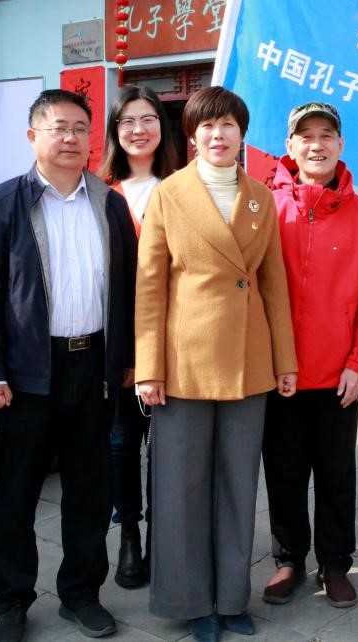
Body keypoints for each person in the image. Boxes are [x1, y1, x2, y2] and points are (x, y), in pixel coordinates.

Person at [0, 89, 137, 642]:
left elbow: (129, 287)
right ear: (32, 136)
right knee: (16, 492)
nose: (70, 138)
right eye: (58, 127)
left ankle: (81, 594)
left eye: (79, 128)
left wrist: (129, 359)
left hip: (94, 367)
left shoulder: (108, 203)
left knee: (90, 490)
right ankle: (11, 601)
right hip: (26, 374)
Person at [134, 86, 297, 642]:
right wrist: (148, 368)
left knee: (237, 485)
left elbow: (274, 284)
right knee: (180, 489)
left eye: (228, 125)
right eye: (206, 125)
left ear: (242, 134)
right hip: (184, 363)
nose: (218, 134)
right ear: (192, 135)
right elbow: (150, 285)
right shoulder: (169, 194)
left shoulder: (260, 197)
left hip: (249, 362)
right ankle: (190, 601)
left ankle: (230, 598)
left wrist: (285, 360)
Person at [261, 102, 358, 608]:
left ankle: (334, 563)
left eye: (326, 135)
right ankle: (289, 558)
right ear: (290, 147)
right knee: (284, 473)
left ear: (340, 145)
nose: (316, 145)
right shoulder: (264, 208)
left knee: (337, 475)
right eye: (305, 136)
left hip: (339, 374)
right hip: (279, 373)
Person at [97, 85, 181, 589]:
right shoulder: (98, 193)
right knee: (122, 443)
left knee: (167, 449)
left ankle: (163, 540)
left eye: (148, 119)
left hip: (175, 342)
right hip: (117, 345)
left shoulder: (184, 188)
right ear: (115, 131)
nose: (138, 129)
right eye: (127, 120)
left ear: (162, 128)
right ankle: (129, 535)